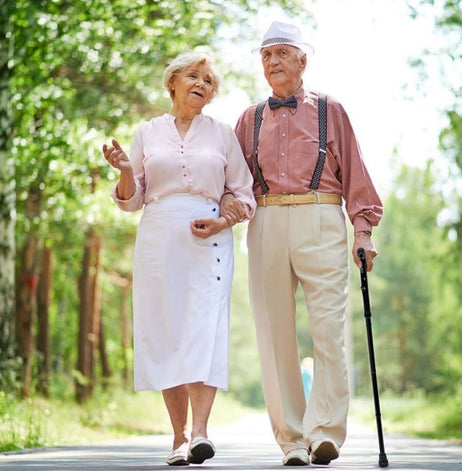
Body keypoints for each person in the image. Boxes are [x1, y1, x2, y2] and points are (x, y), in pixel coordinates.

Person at [221, 21, 383, 466]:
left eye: (281, 53)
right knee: (274, 333)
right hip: (267, 219)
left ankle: (325, 432)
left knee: (329, 328)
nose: (272, 62)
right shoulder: (247, 119)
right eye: (265, 56)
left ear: (302, 60)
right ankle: (292, 438)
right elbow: (233, 182)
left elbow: (356, 173)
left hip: (321, 215)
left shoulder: (332, 111)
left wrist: (363, 231)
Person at [102, 51, 255, 466]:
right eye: (194, 76)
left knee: (204, 329)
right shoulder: (147, 132)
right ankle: (178, 439)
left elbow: (244, 194)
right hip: (158, 237)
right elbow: (131, 201)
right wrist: (124, 170)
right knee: (167, 331)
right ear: (173, 82)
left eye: (209, 81)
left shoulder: (223, 134)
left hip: (209, 238)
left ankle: (201, 434)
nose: (202, 84)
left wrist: (223, 222)